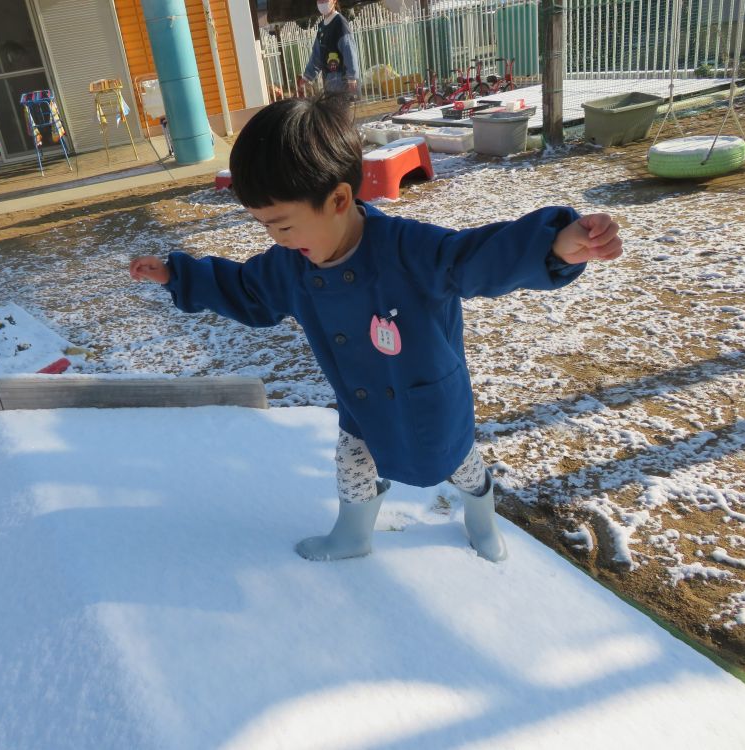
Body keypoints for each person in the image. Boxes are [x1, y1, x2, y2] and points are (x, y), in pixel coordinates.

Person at [129, 94, 623, 563]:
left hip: (429, 400)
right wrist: (179, 274)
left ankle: (482, 516)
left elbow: (477, 258)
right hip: (362, 406)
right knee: (352, 464)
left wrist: (554, 246)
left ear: (340, 199)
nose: (275, 238)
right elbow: (246, 290)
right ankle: (352, 536)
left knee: (462, 466)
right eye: (265, 226)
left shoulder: (409, 251)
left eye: (283, 224)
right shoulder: (292, 265)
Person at [299, 0, 360, 97]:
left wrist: (352, 78)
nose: (322, 3)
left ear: (334, 1)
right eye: (320, 0)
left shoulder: (340, 23)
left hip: (343, 83)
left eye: (325, 0)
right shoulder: (322, 26)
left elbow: (349, 51)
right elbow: (317, 55)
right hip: (329, 82)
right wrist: (307, 77)